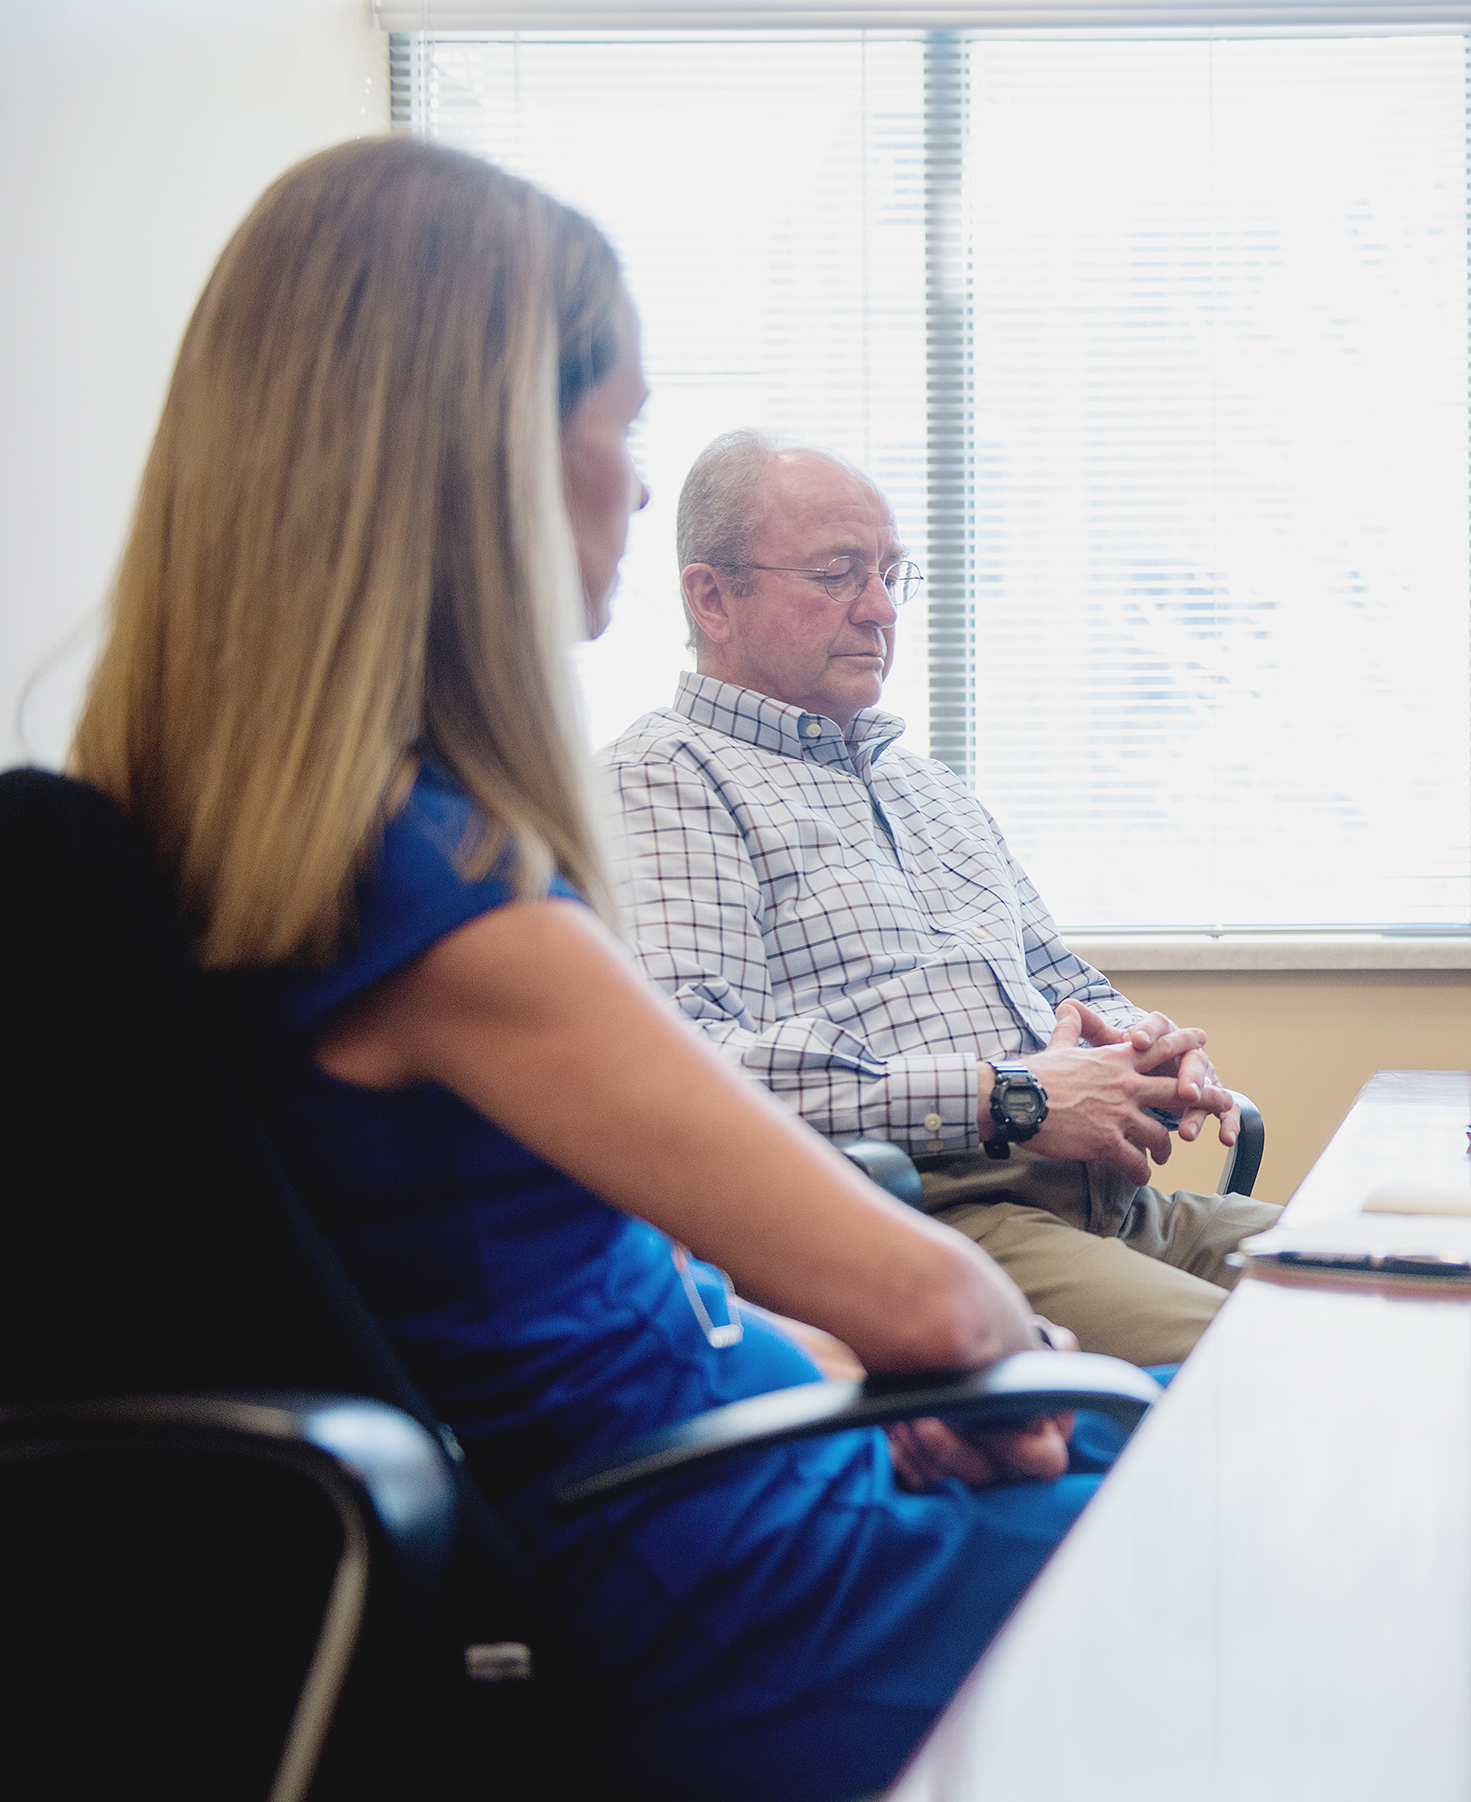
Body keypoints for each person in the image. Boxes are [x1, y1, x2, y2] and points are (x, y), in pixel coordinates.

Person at [67, 137, 1102, 1802]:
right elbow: (937, 1300)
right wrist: (987, 1351)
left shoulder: (273, 840)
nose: (631, 484)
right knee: (1268, 1514)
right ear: (478, 455)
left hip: (716, 1480)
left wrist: (851, 1366)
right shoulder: (438, 892)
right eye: (620, 425)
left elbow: (623, 1296)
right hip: (732, 1575)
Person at [599, 431, 1281, 1368]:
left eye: (891, 574)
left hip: (1113, 1204)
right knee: (1280, 1364)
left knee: (1418, 1281)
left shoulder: (925, 786)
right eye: (838, 574)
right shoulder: (666, 780)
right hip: (931, 1219)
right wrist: (1012, 1096)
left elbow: (1060, 977)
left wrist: (1145, 1047)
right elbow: (696, 1071)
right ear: (713, 597)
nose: (881, 609)